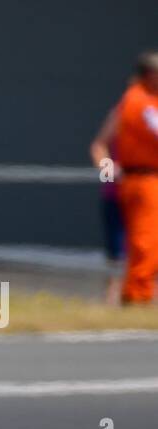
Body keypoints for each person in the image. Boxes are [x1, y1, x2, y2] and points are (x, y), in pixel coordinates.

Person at [112, 51, 158, 304]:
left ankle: (137, 292)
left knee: (144, 239)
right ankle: (138, 297)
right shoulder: (141, 102)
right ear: (151, 75)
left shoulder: (137, 99)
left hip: (142, 179)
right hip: (145, 180)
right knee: (147, 240)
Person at [89, 106, 126, 304]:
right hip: (117, 194)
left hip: (148, 194)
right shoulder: (122, 112)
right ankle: (111, 302)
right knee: (116, 256)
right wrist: (109, 171)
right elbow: (98, 147)